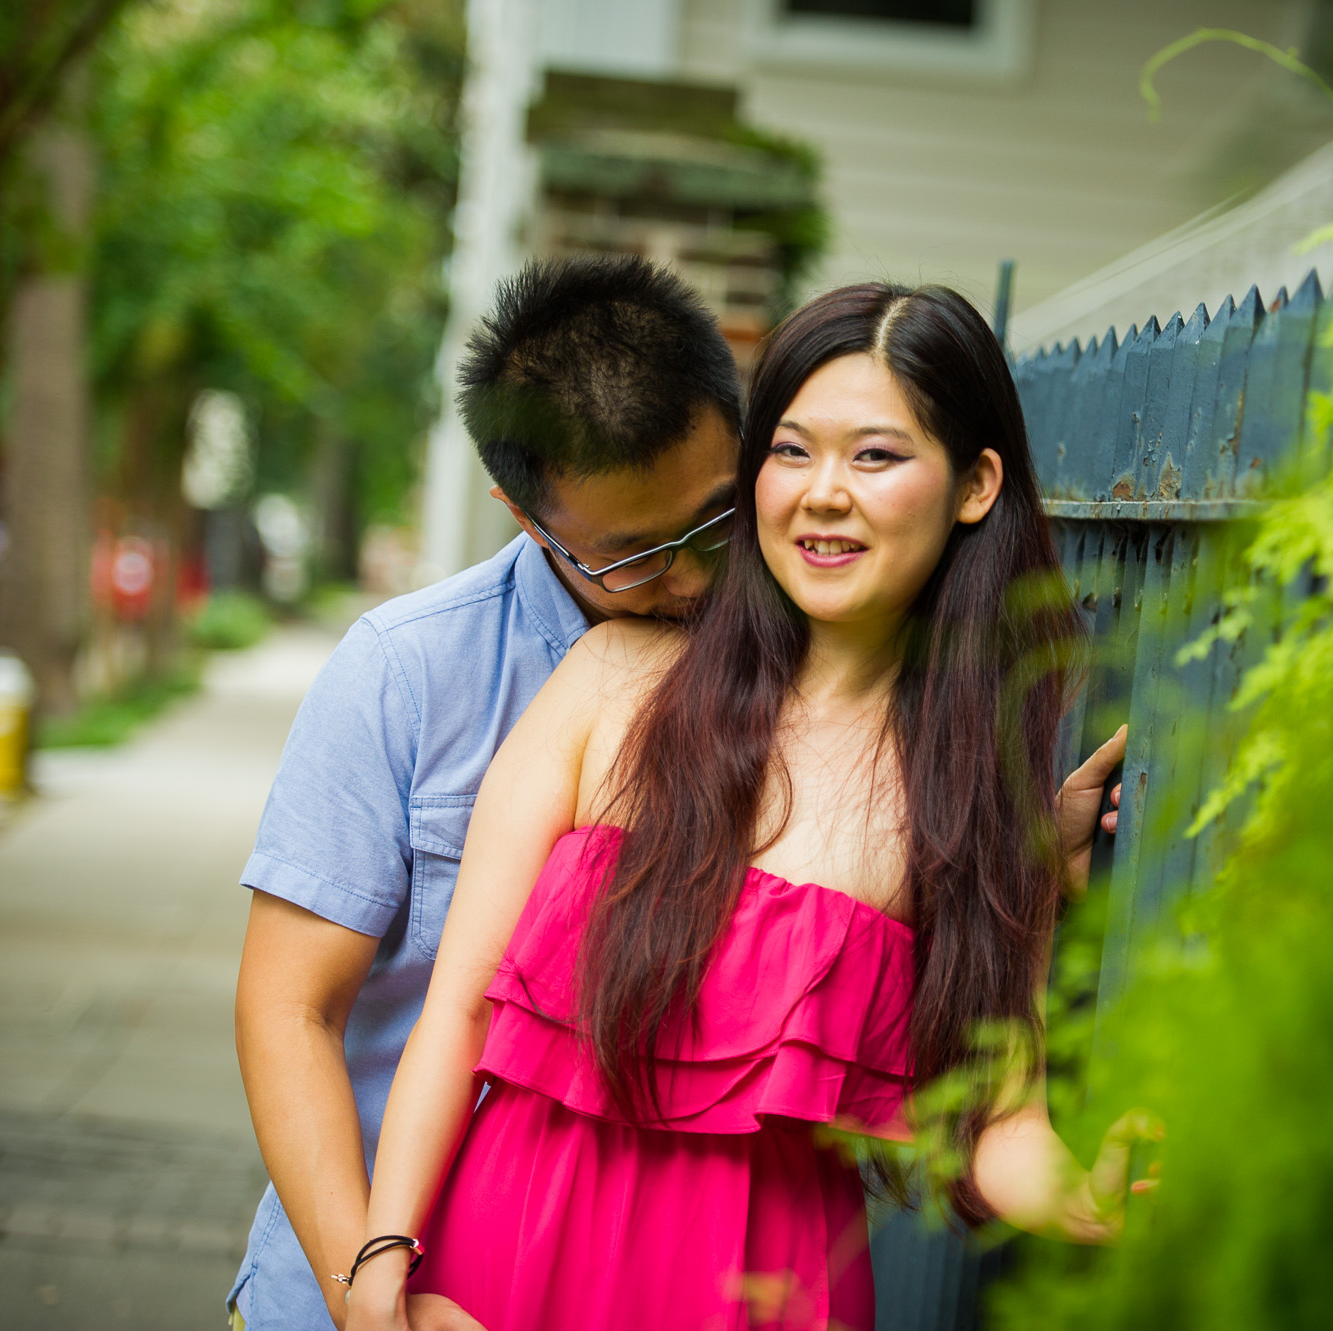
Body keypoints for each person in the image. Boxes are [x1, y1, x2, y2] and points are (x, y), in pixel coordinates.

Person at [341, 282, 1142, 1331]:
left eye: (875, 456)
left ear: (974, 484)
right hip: (501, 1269)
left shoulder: (974, 796)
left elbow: (998, 1124)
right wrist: (379, 1265)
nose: (821, 492)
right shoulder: (611, 682)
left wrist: (1088, 1198)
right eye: (791, 450)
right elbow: (459, 1009)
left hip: (763, 1295)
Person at [230, 256, 746, 1330]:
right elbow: (289, 1008)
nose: (692, 581)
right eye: (636, 557)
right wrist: (366, 1296)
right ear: (523, 514)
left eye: (712, 524)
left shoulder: (805, 667)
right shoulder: (407, 673)